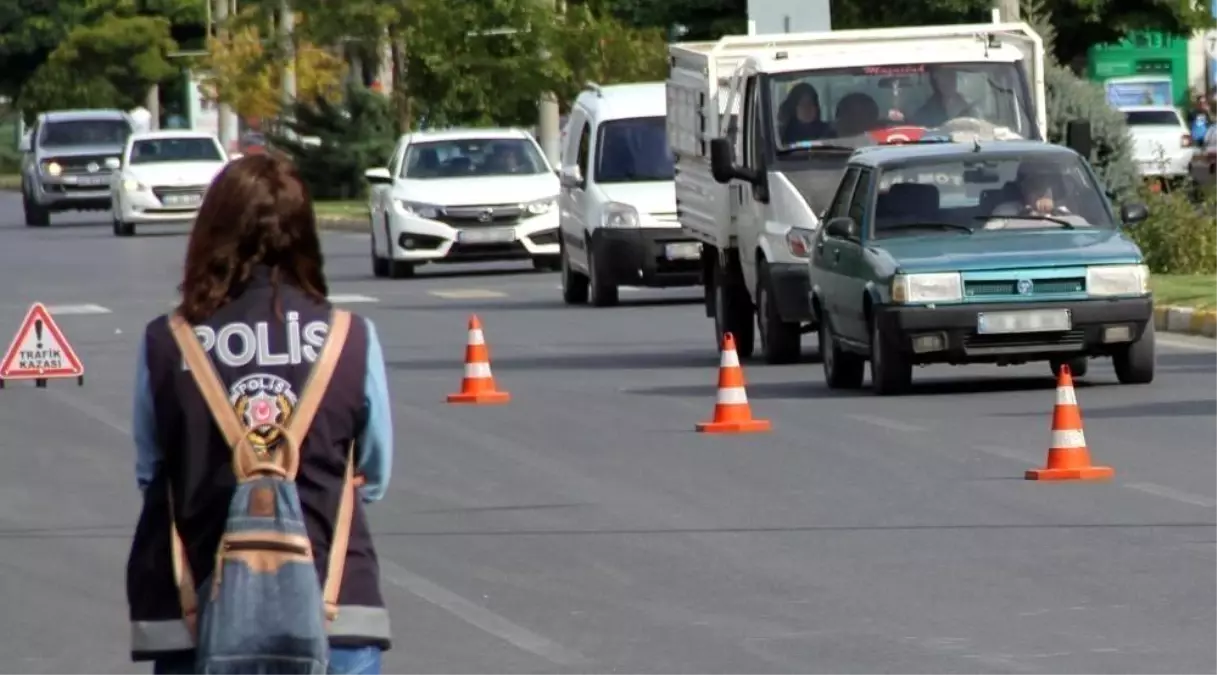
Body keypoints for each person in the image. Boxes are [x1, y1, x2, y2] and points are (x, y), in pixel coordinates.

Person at [126, 154, 394, 675]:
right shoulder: (349, 337)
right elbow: (375, 474)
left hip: (198, 616)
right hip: (333, 608)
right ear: (304, 235)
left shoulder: (167, 342)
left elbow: (150, 472)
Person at [909, 66, 975, 128]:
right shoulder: (925, 113)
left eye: (951, 75)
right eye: (944, 76)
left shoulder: (967, 108)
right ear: (936, 81)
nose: (949, 81)